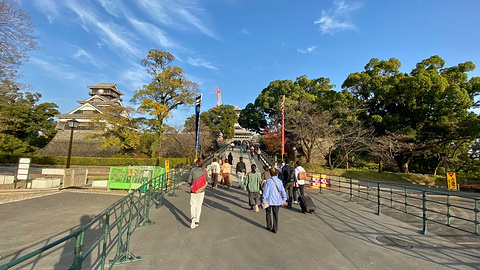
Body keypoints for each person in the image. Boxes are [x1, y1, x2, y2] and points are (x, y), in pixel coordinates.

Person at [262, 168, 287, 234]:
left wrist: (264, 199)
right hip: (277, 200)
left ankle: (269, 226)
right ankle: (275, 228)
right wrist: (284, 199)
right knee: (276, 214)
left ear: (270, 173)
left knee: (268, 213)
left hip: (269, 200)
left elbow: (266, 191)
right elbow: (282, 191)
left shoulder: (268, 181)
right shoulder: (279, 181)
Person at [187, 158, 206, 229]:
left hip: (194, 190)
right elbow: (206, 180)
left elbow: (189, 180)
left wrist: (191, 184)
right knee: (199, 205)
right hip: (201, 190)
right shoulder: (204, 171)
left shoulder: (193, 170)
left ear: (197, 163)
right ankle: (197, 220)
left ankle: (193, 217)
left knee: (193, 205)